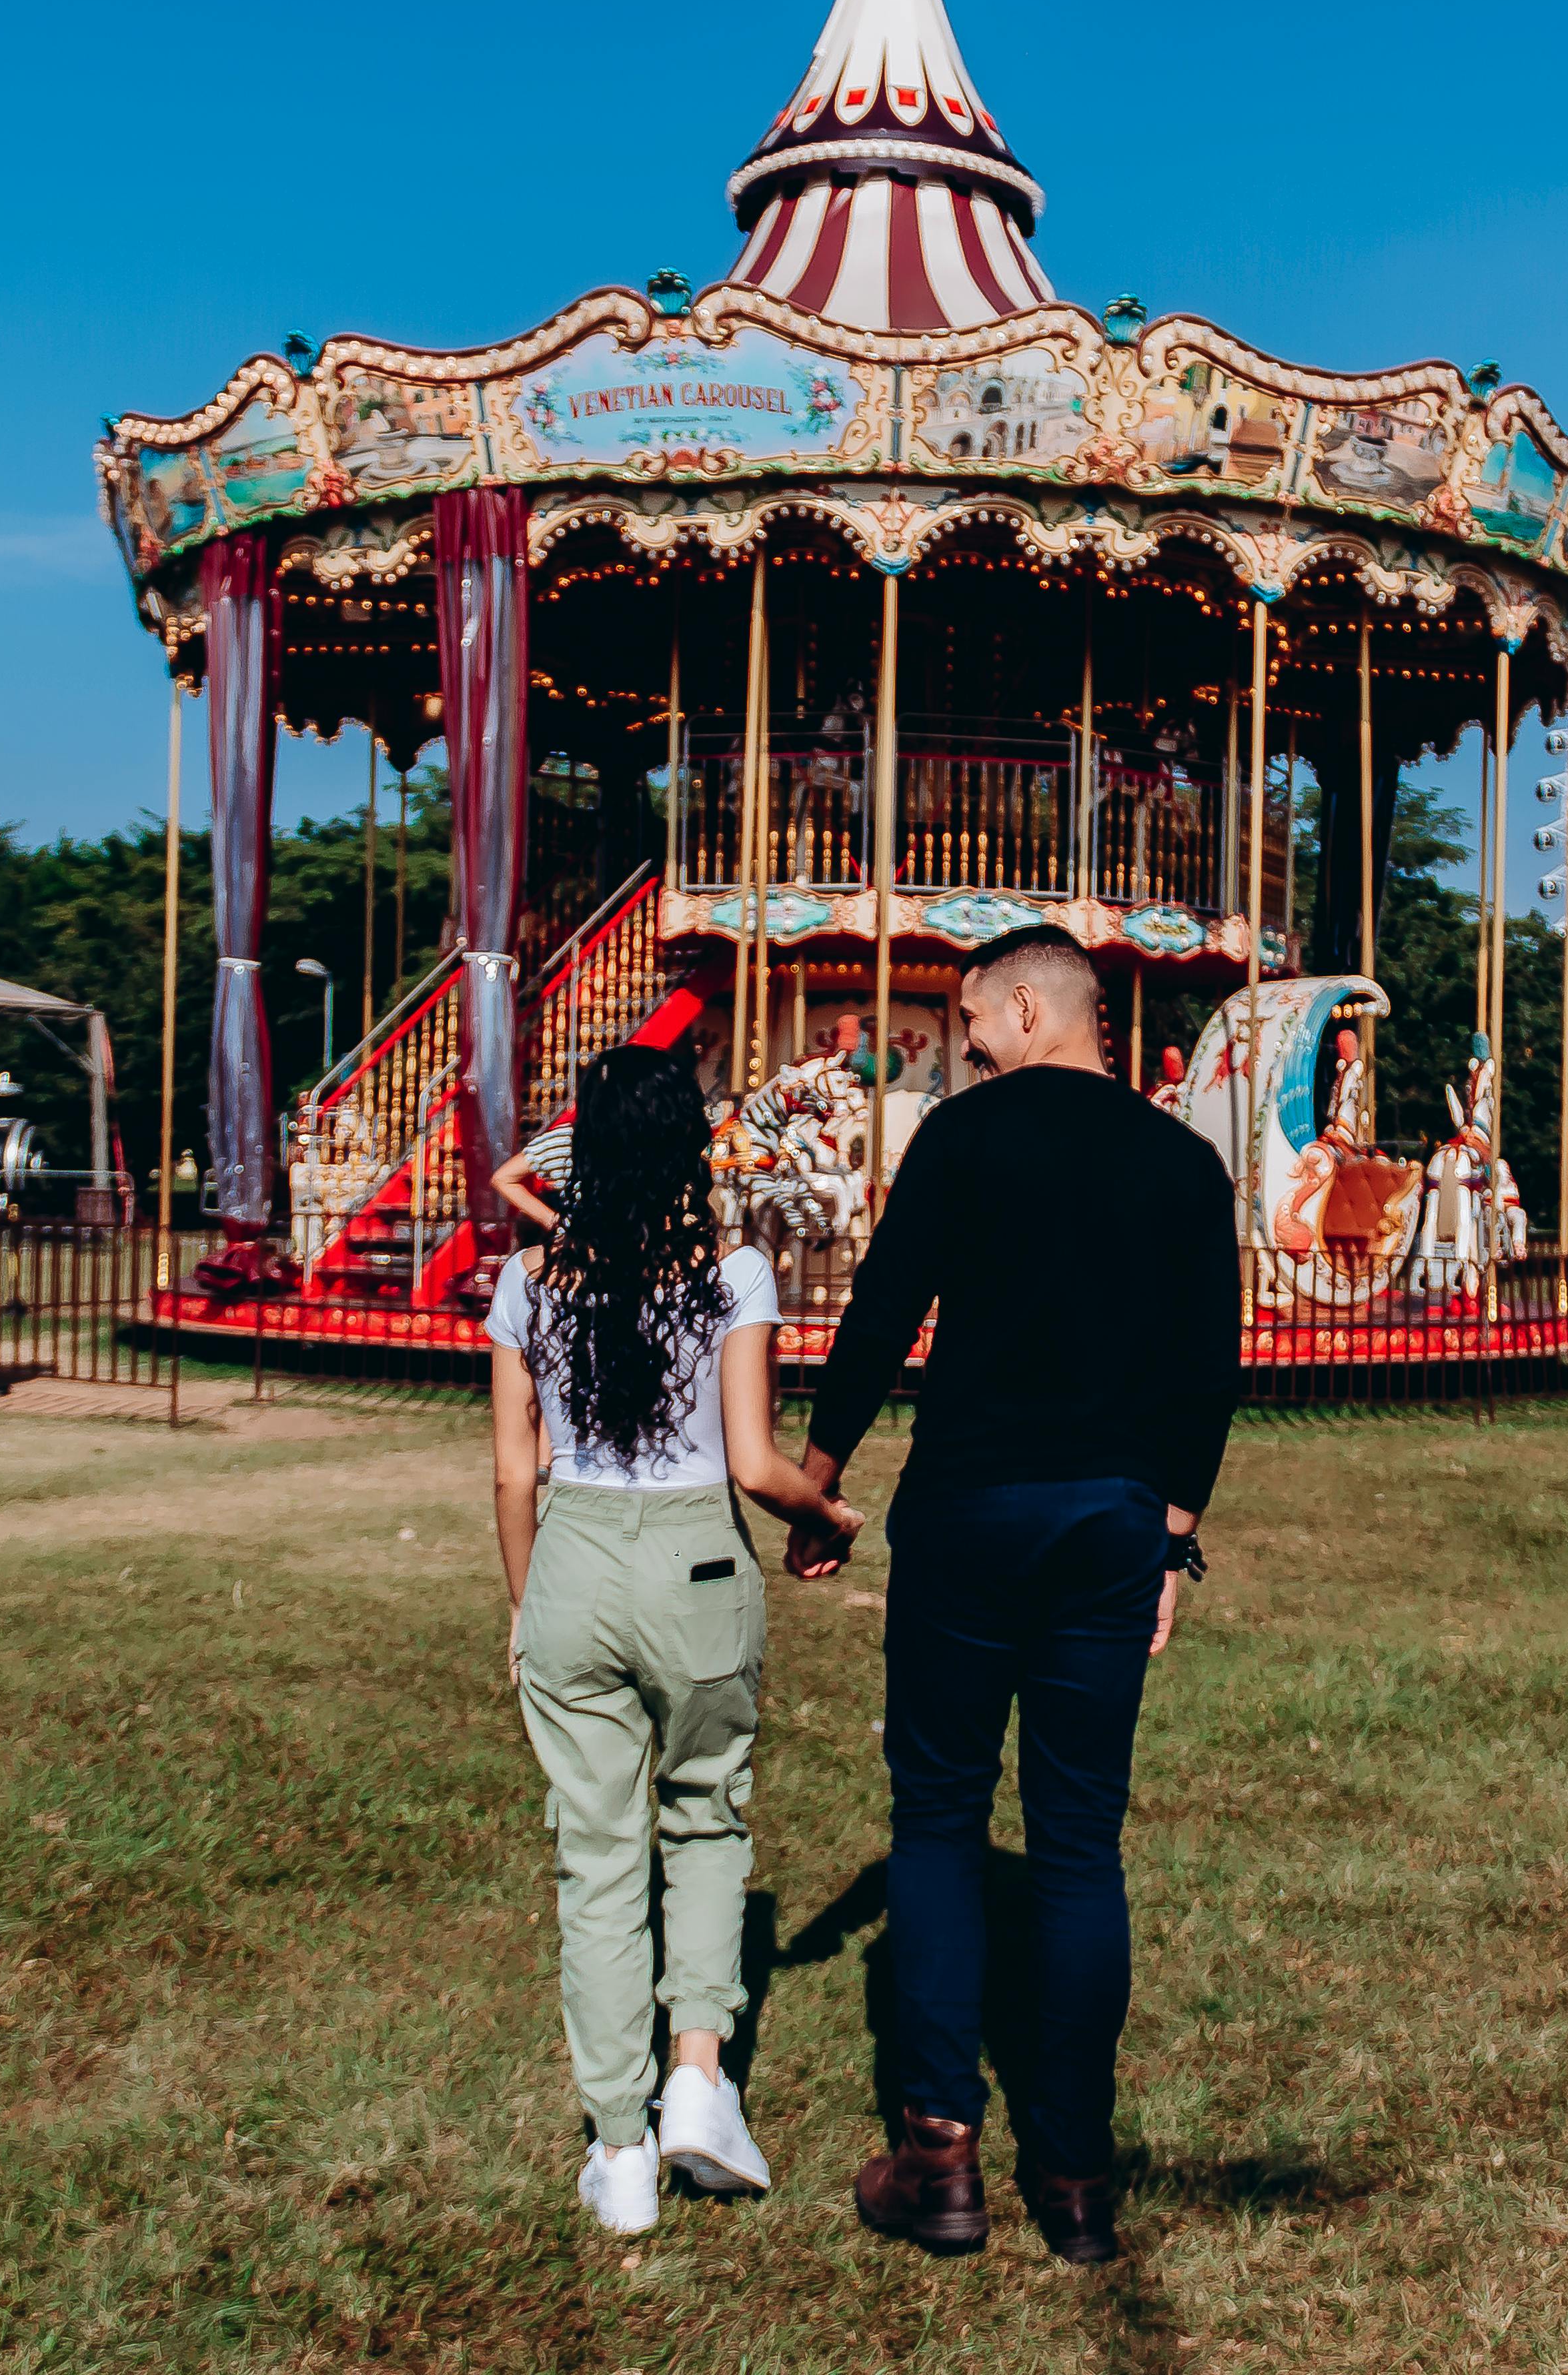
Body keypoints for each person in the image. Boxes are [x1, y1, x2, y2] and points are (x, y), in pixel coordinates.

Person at [790, 924, 1242, 2265]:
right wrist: (1168, 1534)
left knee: (938, 1816)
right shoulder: (1182, 1163)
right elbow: (1207, 1362)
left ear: (1034, 1007)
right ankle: (1076, 2169)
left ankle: (939, 2156)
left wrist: (818, 1481)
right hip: (1107, 1517)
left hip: (972, 1509)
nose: (967, 1043)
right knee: (1078, 1840)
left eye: (975, 1019)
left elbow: (881, 1312)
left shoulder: (967, 1139)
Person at [486, 1043, 864, 2236]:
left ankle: (619, 2144)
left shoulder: (528, 1279)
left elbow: (513, 1469)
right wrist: (831, 1511)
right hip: (699, 1560)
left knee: (595, 1857)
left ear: (581, 1150)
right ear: (694, 1147)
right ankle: (699, 2074)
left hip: (575, 1565)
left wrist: (522, 1603)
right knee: (705, 1815)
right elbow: (755, 1465)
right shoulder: (732, 1272)